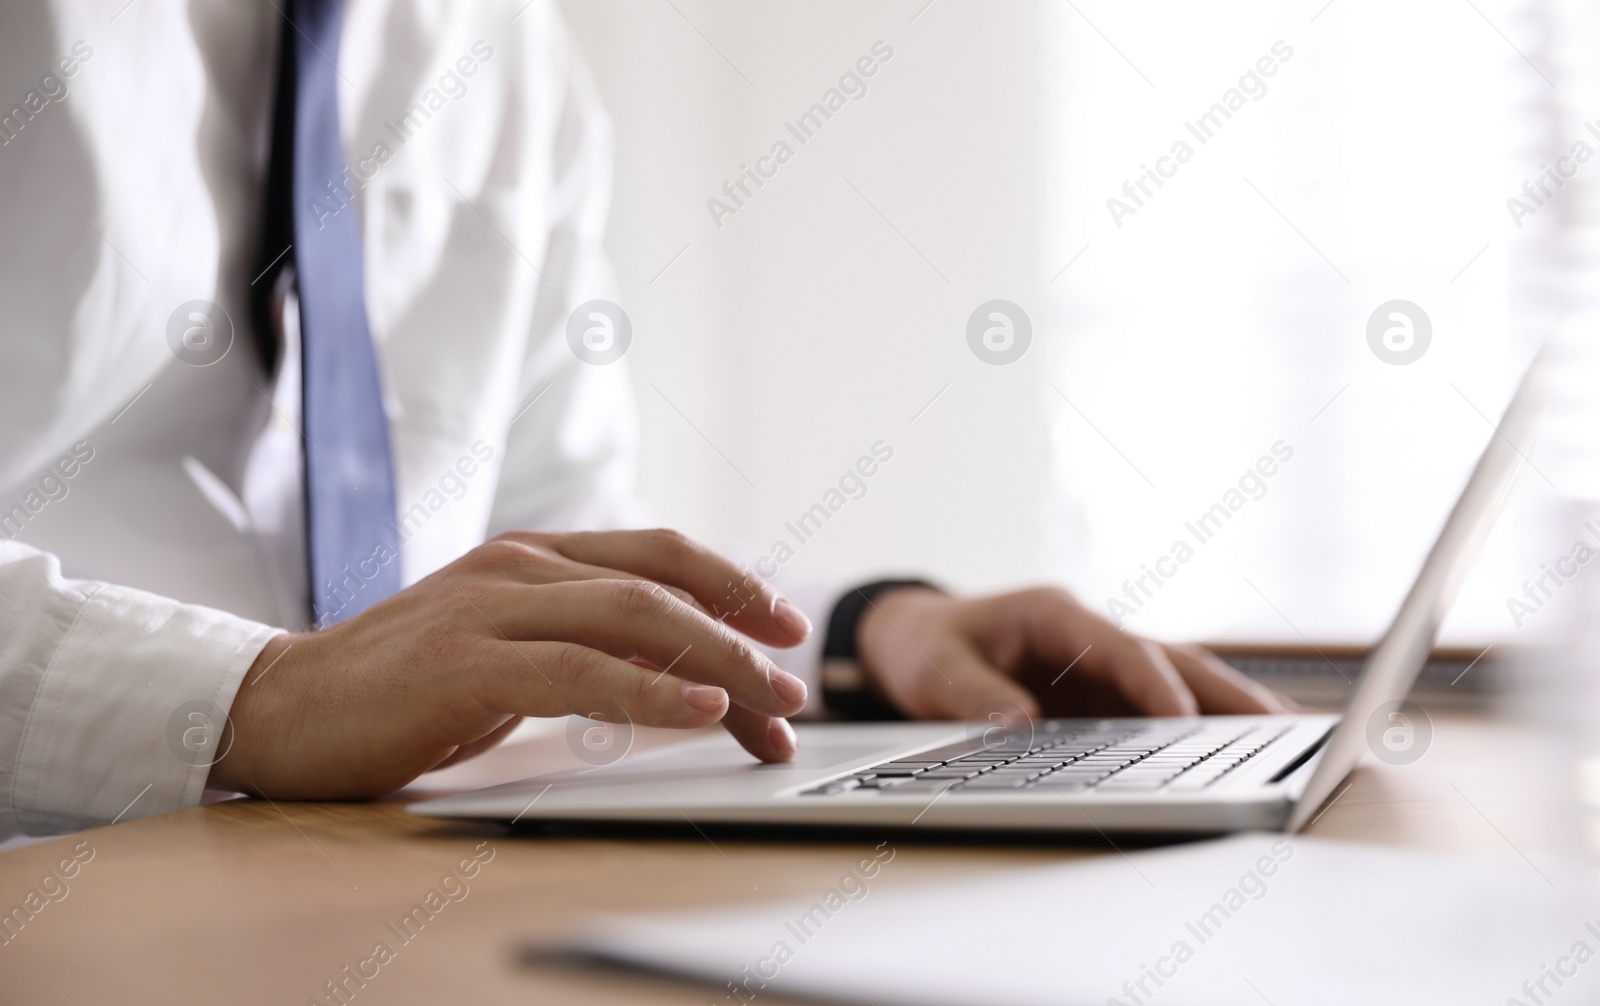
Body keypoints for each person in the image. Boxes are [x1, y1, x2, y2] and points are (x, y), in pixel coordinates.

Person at [0, 1, 1288, 841]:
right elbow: (337, 676)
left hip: (352, 889)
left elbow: (546, 561)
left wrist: (849, 636)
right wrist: (252, 697)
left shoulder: (506, 53)